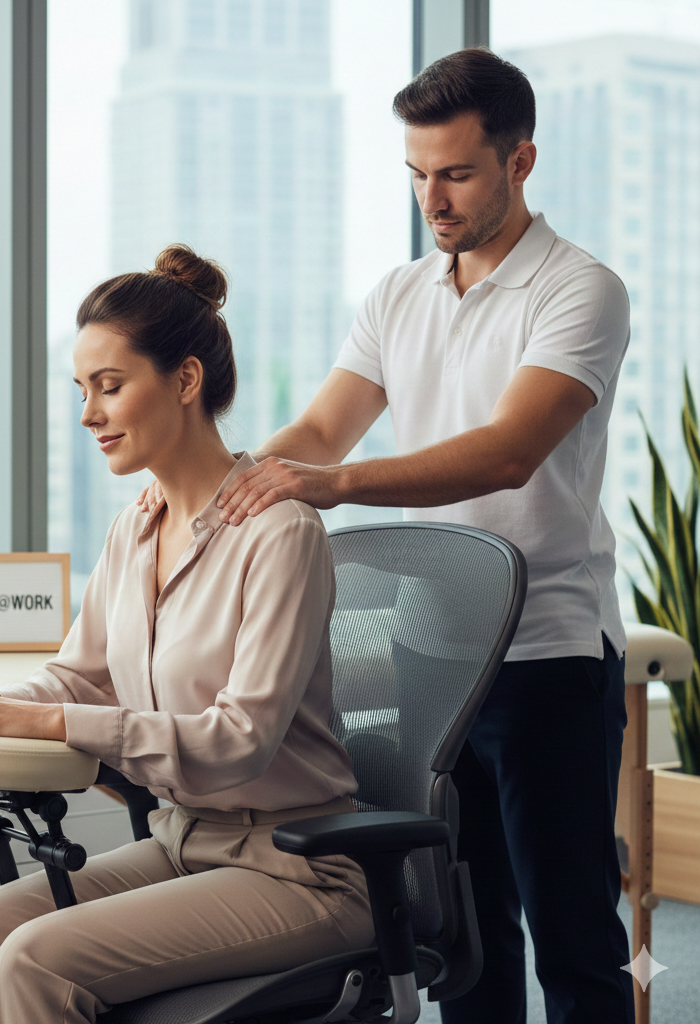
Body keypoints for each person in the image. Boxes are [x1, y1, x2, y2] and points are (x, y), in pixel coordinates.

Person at [142, 48, 633, 1024]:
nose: (432, 197)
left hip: (547, 657)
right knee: (463, 938)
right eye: (416, 174)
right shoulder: (399, 292)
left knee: (573, 939)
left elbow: (505, 451)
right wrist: (220, 488)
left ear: (518, 161)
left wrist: (324, 485)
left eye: (453, 172)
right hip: (431, 654)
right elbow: (320, 431)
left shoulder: (579, 289)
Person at [0, 244, 374, 1024]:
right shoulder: (135, 528)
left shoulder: (281, 534)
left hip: (299, 870)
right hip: (181, 841)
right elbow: (80, 676)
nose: (89, 414)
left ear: (185, 381)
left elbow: (240, 739)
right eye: (82, 390)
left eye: (110, 387)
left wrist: (48, 722)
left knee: (34, 962)